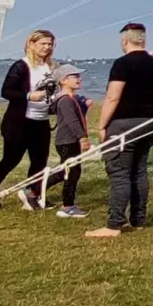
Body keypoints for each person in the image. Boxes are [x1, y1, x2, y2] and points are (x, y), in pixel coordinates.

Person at [85, 22, 153, 239]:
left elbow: (113, 96)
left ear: (124, 40)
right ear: (143, 40)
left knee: (119, 173)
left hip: (124, 123)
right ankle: (138, 219)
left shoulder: (123, 64)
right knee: (139, 170)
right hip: (149, 120)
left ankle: (114, 224)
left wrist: (101, 125)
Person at [0, 29, 57, 213]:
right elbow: (6, 91)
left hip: (41, 122)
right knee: (11, 160)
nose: (47, 47)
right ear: (32, 44)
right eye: (43, 43)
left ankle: (32, 196)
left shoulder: (50, 66)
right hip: (19, 122)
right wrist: (28, 95)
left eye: (50, 44)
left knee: (39, 162)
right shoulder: (21, 66)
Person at [50, 64, 91, 219]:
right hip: (67, 141)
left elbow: (78, 115)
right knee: (71, 173)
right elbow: (72, 121)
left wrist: (85, 105)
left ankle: (34, 190)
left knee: (66, 171)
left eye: (78, 76)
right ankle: (67, 206)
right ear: (63, 81)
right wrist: (82, 138)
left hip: (68, 141)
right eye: (75, 76)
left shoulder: (71, 98)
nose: (79, 79)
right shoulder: (65, 100)